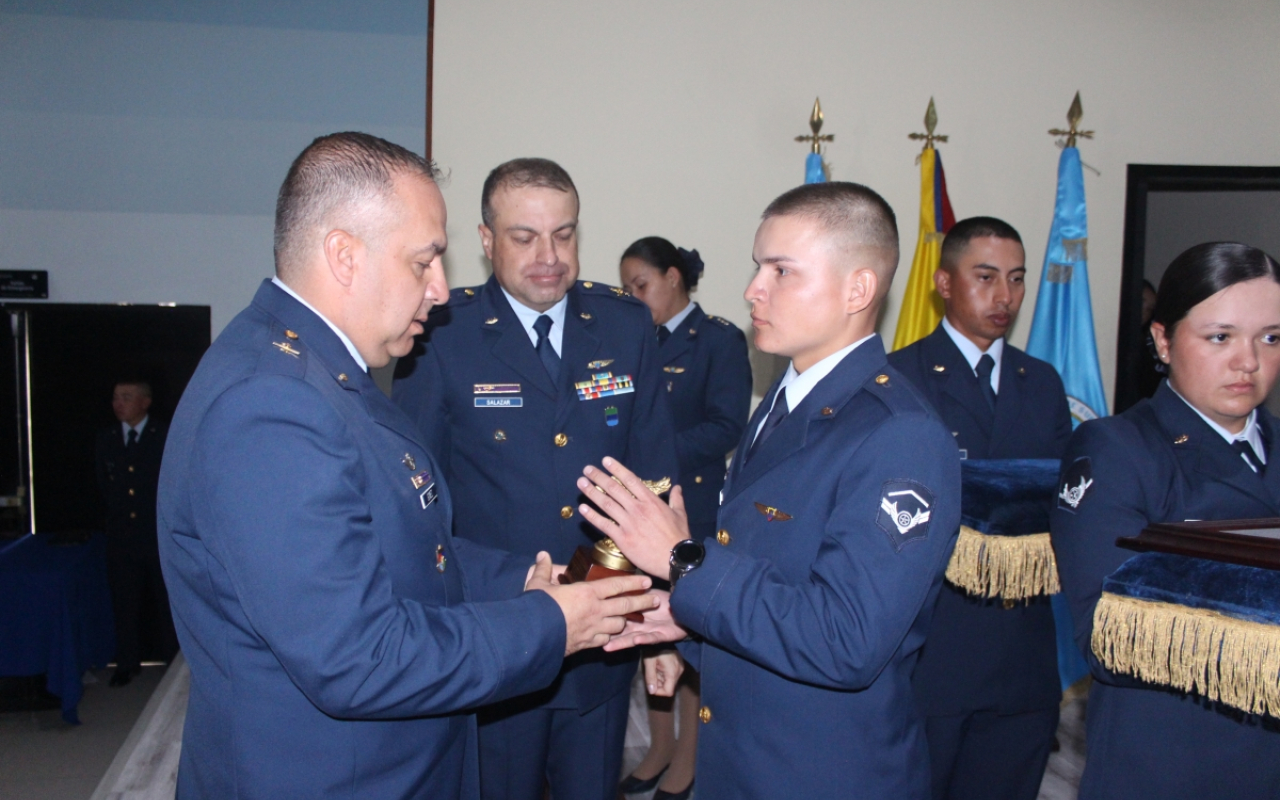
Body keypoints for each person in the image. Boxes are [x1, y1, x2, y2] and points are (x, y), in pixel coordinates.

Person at [157, 132, 656, 800]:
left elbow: (407, 551)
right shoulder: (269, 406)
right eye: (423, 263)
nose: (442, 290)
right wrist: (552, 624)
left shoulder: (326, 374)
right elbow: (359, 658)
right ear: (343, 256)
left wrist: (522, 578)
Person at [576, 181, 963, 799]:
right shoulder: (784, 403)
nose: (755, 288)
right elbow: (771, 579)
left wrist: (684, 562)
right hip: (747, 765)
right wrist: (687, 621)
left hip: (823, 774)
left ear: (857, 290)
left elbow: (845, 640)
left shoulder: (900, 435)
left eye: (782, 271)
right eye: (759, 266)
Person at [392, 158, 678, 800]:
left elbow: (652, 476)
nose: (549, 256)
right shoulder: (441, 333)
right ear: (487, 240)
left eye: (565, 234)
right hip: (494, 633)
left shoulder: (624, 325)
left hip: (602, 629)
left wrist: (610, 603)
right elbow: (417, 500)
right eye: (524, 237)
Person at [1051, 241, 1280, 799]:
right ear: (1162, 339)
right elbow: (1108, 635)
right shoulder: (1118, 451)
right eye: (1219, 337)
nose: (1248, 361)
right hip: (1174, 764)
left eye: (1270, 337)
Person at [888, 216, 1071, 800]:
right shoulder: (901, 376)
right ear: (943, 283)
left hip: (1024, 651)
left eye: (1016, 280)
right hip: (935, 645)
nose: (1005, 297)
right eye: (986, 276)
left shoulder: (1041, 382)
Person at [617, 237, 752, 800]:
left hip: (688, 510)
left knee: (690, 629)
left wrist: (652, 452)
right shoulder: (632, 339)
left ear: (674, 278)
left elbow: (726, 426)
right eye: (626, 288)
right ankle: (660, 745)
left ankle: (689, 759)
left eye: (640, 286)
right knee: (652, 629)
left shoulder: (718, 340)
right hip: (637, 513)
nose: (632, 297)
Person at [95, 379, 177, 687]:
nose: (119, 403)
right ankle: (127, 663)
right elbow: (105, 484)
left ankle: (172, 662)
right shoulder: (106, 439)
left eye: (126, 397)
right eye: (116, 397)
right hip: (122, 537)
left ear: (145, 402)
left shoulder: (164, 435)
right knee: (125, 603)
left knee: (165, 601)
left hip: (156, 536)